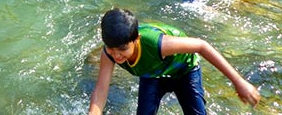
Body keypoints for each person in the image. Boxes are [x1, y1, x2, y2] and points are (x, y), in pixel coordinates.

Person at [88, 8, 261, 115]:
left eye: (123, 49)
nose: (117, 56)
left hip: (184, 70)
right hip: (153, 74)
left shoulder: (158, 44)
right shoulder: (108, 53)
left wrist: (238, 81)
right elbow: (101, 90)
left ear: (137, 39)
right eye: (112, 49)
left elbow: (201, 45)